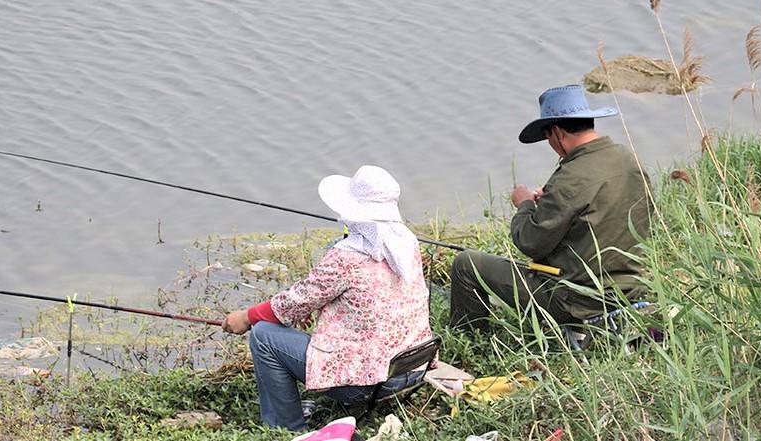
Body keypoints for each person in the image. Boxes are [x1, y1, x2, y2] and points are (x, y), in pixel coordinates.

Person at [223, 165, 433, 431]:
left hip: (372, 384)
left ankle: (285, 426)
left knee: (264, 336)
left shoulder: (347, 257)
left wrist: (246, 317)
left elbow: (293, 302)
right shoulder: (407, 242)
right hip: (413, 369)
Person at [449, 84, 652, 334]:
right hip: (630, 290)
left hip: (578, 301)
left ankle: (470, 342)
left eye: (547, 137)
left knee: (466, 263)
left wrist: (524, 204)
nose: (550, 144)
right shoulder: (628, 159)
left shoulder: (570, 178)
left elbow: (530, 242)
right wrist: (550, 203)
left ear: (556, 131)